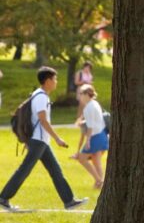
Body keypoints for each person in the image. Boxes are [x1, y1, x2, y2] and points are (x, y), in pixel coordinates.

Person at [0, 67, 88, 211]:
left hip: (41, 141)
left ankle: (69, 201)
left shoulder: (39, 95)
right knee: (24, 170)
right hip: (38, 141)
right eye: (54, 79)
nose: (56, 82)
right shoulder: (41, 97)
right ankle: (3, 198)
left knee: (55, 170)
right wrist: (57, 139)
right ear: (47, 81)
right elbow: (43, 120)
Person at [71, 84, 108, 189]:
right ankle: (101, 184)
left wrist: (88, 141)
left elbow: (90, 126)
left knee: (82, 158)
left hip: (95, 136)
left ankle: (99, 180)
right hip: (102, 134)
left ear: (87, 94)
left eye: (81, 94)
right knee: (96, 160)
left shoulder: (88, 107)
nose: (80, 96)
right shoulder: (94, 103)